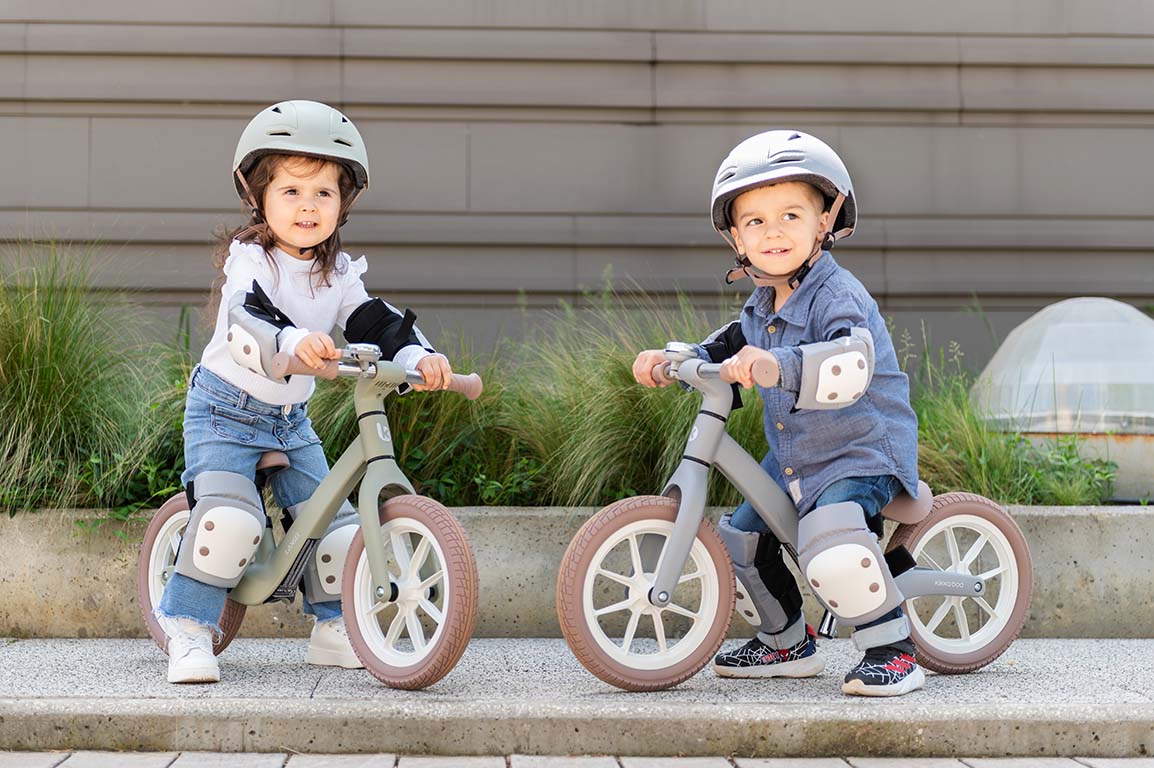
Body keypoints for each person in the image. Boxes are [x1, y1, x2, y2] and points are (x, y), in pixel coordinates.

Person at [154, 100, 453, 684]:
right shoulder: (253, 262)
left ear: (344, 204)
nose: (308, 206)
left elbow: (375, 321)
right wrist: (292, 343)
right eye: (291, 191)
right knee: (230, 522)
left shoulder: (338, 274)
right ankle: (189, 629)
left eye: (323, 193)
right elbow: (249, 317)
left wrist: (420, 356)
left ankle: (333, 626)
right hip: (223, 411)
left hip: (289, 420)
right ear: (259, 195)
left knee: (335, 525)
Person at [631, 130, 923, 697]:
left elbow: (851, 358)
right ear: (736, 236)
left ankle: (892, 648)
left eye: (791, 214)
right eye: (756, 221)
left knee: (832, 543)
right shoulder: (762, 299)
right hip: (795, 455)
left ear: (825, 221)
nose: (773, 232)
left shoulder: (838, 294)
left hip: (859, 449)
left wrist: (778, 363)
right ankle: (787, 641)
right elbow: (729, 342)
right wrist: (678, 357)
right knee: (740, 539)